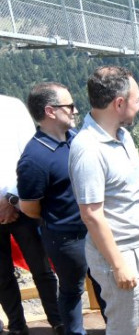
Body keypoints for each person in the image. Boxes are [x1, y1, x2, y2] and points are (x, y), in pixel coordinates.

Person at [68, 66, 139, 335]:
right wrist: (118, 264)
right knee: (123, 328)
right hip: (120, 253)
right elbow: (91, 214)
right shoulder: (88, 149)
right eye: (137, 99)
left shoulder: (124, 136)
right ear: (119, 103)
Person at [16, 82, 108, 335]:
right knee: (72, 290)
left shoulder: (75, 138)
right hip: (65, 238)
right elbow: (30, 208)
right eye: (69, 106)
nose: (75, 110)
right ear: (50, 111)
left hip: (93, 229)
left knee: (105, 283)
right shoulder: (34, 158)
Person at [0, 94, 63, 335]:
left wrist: (11, 199)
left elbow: (31, 155)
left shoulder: (12, 107)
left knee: (42, 268)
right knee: (1, 275)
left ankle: (57, 321)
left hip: (21, 203)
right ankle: (17, 326)